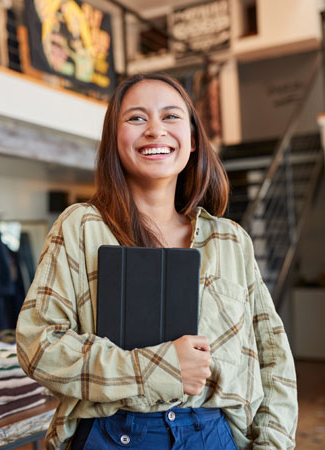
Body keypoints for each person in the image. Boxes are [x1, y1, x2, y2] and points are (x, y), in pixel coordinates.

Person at [15, 73, 297, 449]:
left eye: (170, 116)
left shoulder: (231, 240)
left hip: (214, 435)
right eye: (135, 118)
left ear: (193, 139)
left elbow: (273, 357)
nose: (154, 130)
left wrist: (273, 443)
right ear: (114, 141)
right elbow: (38, 344)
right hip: (113, 433)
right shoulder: (80, 228)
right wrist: (160, 368)